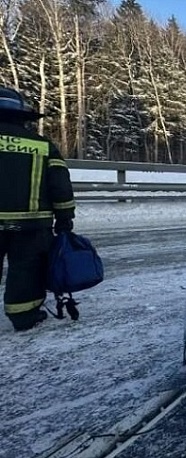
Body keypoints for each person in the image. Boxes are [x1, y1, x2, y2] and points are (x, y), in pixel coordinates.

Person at [0, 86, 75, 331]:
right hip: (31, 225)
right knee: (26, 270)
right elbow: (60, 186)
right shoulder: (41, 146)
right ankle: (24, 317)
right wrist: (65, 220)